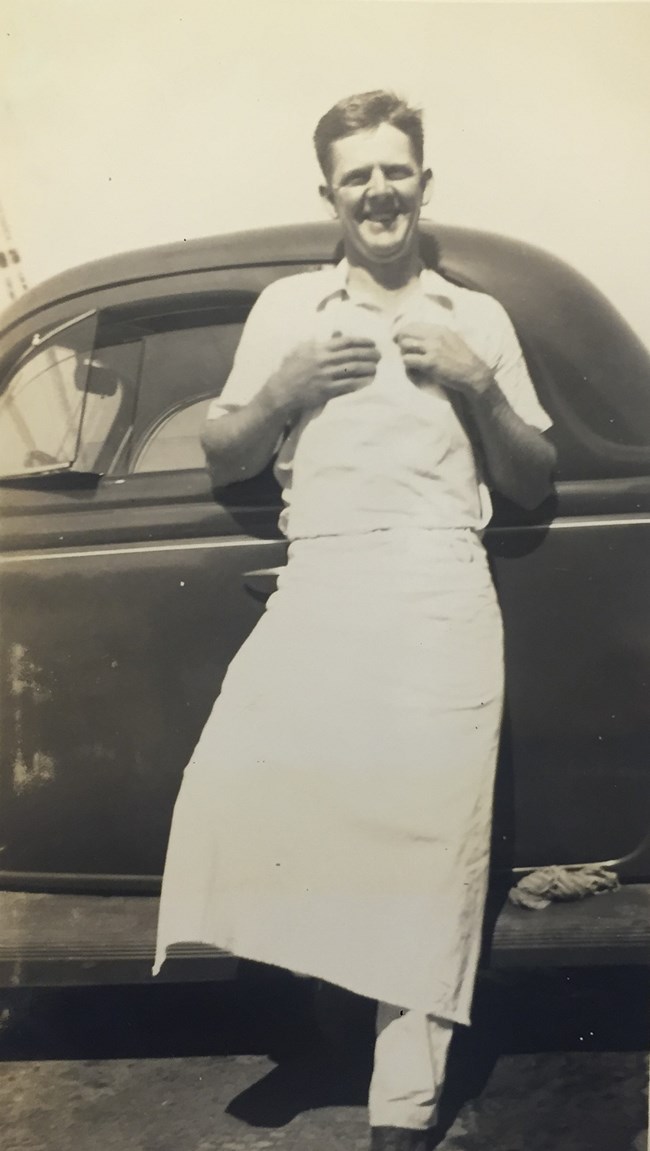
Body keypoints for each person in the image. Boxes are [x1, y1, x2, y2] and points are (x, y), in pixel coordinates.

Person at [154, 90, 556, 1150]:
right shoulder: (289, 308)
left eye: (394, 170)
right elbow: (226, 451)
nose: (377, 191)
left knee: (429, 851)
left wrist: (477, 389)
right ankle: (333, 1025)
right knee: (236, 791)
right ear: (327, 192)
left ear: (423, 179)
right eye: (355, 175)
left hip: (436, 586)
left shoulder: (479, 320)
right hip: (324, 581)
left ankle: (401, 1106)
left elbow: (530, 479)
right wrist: (283, 391)